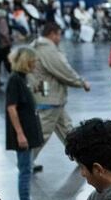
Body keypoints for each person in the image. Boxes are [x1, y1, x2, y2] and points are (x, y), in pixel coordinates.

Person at [30, 20, 90, 162]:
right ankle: (25, 163)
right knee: (42, 134)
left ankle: (82, 158)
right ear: (52, 34)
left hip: (49, 96)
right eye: (58, 35)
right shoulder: (47, 49)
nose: (60, 38)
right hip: (50, 98)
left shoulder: (37, 46)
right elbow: (63, 70)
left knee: (67, 130)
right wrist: (81, 83)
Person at [4, 45, 47, 200]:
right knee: (24, 171)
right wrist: (20, 134)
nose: (35, 64)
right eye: (33, 61)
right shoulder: (15, 80)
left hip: (28, 131)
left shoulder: (22, 79)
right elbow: (11, 109)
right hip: (23, 134)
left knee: (27, 170)